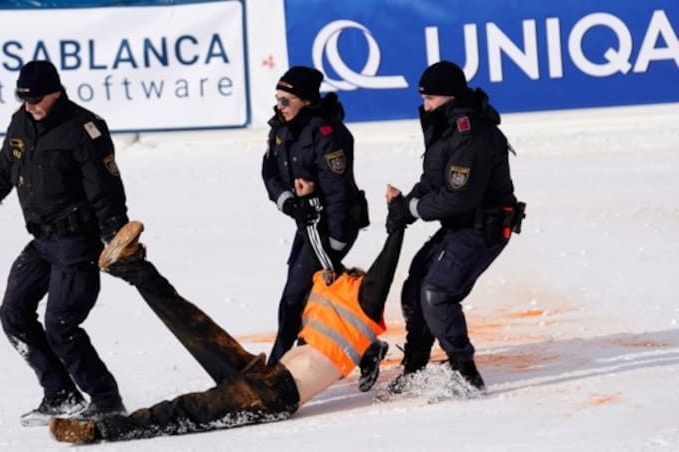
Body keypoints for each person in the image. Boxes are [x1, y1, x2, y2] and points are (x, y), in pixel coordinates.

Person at [48, 188, 406, 444]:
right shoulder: (332, 289)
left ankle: (100, 431)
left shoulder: (364, 305)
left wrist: (396, 226)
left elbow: (382, 273)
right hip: (263, 372)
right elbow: (322, 252)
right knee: (192, 323)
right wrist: (313, 203)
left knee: (186, 412)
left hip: (273, 397)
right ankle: (132, 266)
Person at [0, 60, 130, 425]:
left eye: (37, 98)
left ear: (56, 91)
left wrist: (117, 237)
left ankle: (106, 398)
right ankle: (60, 394)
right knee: (13, 314)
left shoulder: (83, 129)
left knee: (61, 324)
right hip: (41, 241)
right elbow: (6, 164)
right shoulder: (21, 121)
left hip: (77, 243)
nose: (30, 105)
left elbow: (106, 191)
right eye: (23, 98)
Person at [385, 61, 525, 392]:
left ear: (449, 97)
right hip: (460, 224)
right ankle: (416, 366)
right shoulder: (446, 128)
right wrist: (405, 204)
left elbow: (458, 197)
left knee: (437, 293)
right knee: (416, 282)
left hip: (483, 228)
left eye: (430, 98)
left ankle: (465, 374)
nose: (425, 106)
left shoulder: (472, 134)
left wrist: (414, 208)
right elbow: (433, 180)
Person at [261, 65, 369, 366]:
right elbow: (269, 172)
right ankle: (367, 351)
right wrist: (289, 202)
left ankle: (275, 367)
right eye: (278, 99)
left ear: (307, 101)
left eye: (286, 101)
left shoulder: (328, 134)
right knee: (307, 294)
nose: (279, 106)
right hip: (306, 223)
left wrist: (334, 243)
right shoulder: (280, 127)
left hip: (335, 224)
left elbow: (338, 193)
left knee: (294, 297)